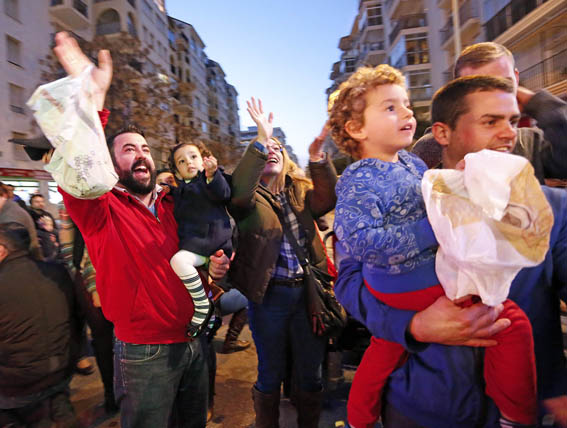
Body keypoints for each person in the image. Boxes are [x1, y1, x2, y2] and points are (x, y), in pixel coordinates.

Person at [334, 76, 567, 427]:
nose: (509, 134)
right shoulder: (364, 180)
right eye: (490, 120)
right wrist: (411, 326)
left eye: (514, 119)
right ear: (444, 132)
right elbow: (353, 272)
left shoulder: (552, 208)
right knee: (387, 351)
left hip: (519, 399)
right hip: (420, 408)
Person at [33, 31, 231, 428]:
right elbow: (83, 165)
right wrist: (94, 102)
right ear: (112, 162)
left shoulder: (176, 202)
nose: (140, 154)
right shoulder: (100, 208)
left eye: (144, 148)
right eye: (128, 149)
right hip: (144, 353)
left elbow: (202, 245)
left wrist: (215, 268)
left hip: (195, 341)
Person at [228, 97, 337, 428]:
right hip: (269, 298)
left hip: (308, 297)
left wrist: (317, 158)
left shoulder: (299, 192)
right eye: (265, 148)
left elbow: (328, 197)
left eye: (277, 146)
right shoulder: (248, 199)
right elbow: (239, 191)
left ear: (287, 158)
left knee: (310, 373)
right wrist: (261, 137)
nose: (271, 149)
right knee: (270, 373)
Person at [412, 42, 567, 183]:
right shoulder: (430, 148)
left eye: (504, 83)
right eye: (479, 85)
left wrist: (538, 102)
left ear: (516, 79)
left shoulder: (532, 142)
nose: (494, 94)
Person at [0, 222, 81, 428]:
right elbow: (77, 323)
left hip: (16, 385)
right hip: (61, 369)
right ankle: (60, 408)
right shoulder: (56, 271)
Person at [168, 140, 233, 337]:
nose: (189, 162)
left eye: (193, 157)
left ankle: (202, 305)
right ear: (177, 172)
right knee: (182, 265)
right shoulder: (182, 190)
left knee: (178, 260)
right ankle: (209, 313)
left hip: (213, 243)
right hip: (197, 248)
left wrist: (213, 175)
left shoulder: (209, 181)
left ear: (205, 159)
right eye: (181, 161)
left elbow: (224, 193)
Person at [0, 185, 42, 260]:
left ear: (4, 196)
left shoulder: (11, 216)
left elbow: (11, 254)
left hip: (23, 267)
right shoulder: (6, 210)